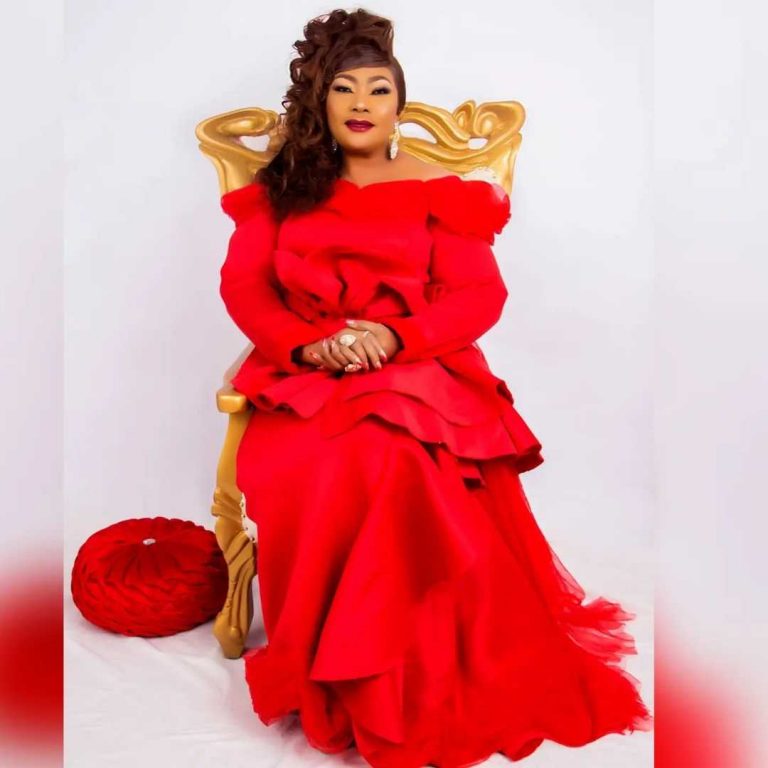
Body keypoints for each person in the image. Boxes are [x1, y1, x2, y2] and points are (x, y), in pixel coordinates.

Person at [217, 8, 653, 767]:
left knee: (397, 456)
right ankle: (345, 669)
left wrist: (393, 338)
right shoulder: (283, 188)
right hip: (304, 373)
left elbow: (478, 295)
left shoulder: (437, 188)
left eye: (378, 89)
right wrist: (311, 344)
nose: (361, 103)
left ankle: (408, 674)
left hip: (416, 366)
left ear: (399, 103)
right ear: (320, 100)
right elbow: (245, 289)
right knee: (337, 460)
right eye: (344, 88)